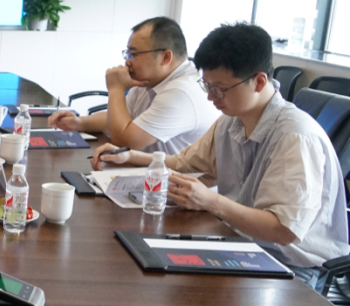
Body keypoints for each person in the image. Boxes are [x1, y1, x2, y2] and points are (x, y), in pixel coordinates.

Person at [90, 22, 349, 289]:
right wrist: (130, 156)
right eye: (207, 86)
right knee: (144, 265)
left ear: (259, 82)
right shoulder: (231, 120)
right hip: (242, 244)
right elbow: (184, 163)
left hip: (293, 266)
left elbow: (283, 230)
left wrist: (210, 202)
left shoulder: (295, 136)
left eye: (219, 89)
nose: (211, 98)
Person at [50, 17, 218, 154]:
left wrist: (116, 89)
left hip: (174, 184)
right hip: (148, 175)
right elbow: (121, 119)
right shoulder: (150, 79)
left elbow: (125, 141)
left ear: (165, 57)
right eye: (127, 53)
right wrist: (78, 122)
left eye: (134, 53)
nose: (127, 61)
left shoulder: (182, 92)